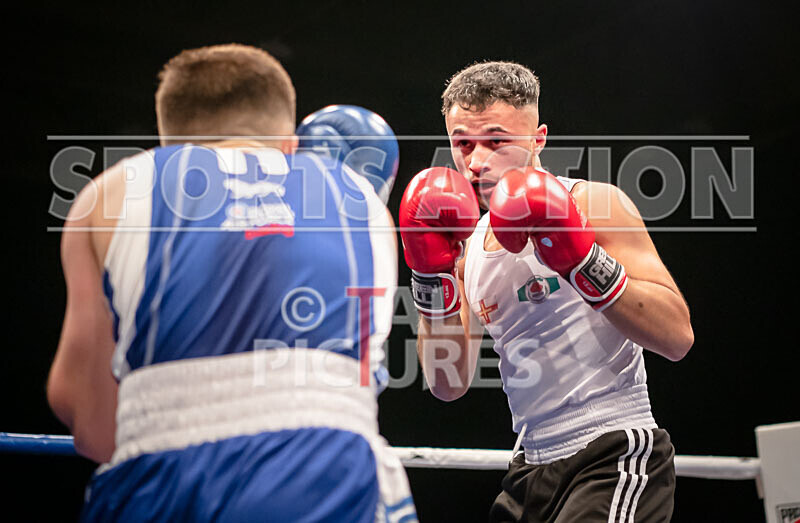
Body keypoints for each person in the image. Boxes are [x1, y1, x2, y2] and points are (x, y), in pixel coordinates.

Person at [47, 43, 417, 522]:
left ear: (167, 144)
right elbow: (366, 377)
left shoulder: (113, 191)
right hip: (328, 471)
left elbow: (86, 415)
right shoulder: (364, 203)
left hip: (163, 481)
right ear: (290, 142)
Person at [399, 61, 693, 522]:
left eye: (496, 140)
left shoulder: (591, 202)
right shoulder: (465, 248)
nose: (476, 162)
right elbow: (447, 384)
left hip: (612, 450)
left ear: (538, 139)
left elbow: (677, 338)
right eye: (462, 143)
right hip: (529, 470)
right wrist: (427, 275)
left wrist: (579, 261)